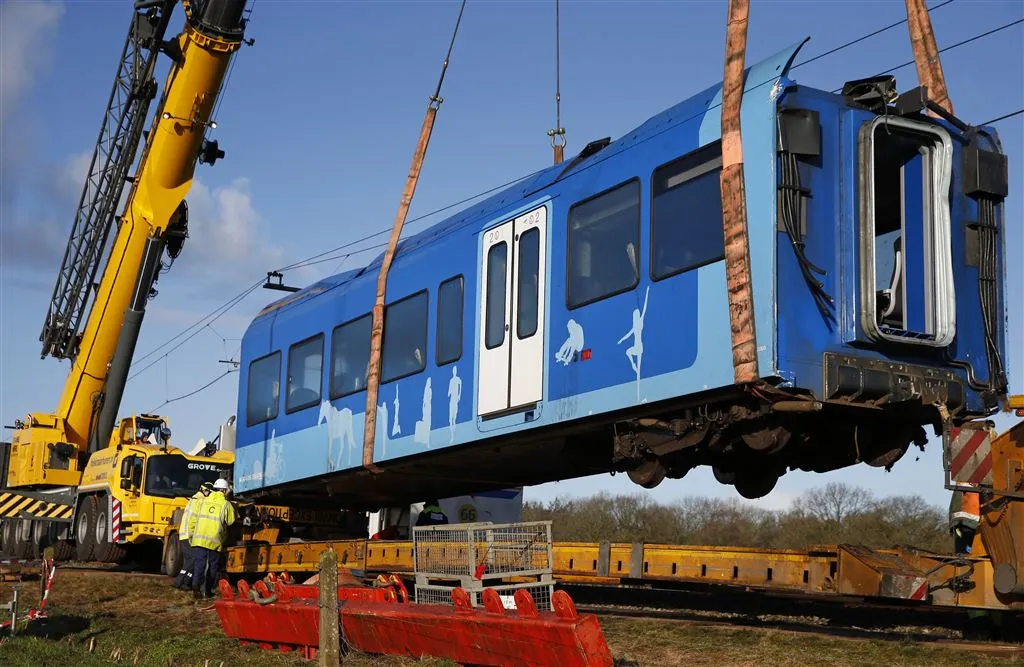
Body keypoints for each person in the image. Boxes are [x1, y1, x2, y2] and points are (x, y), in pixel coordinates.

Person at [189, 477, 236, 599]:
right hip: (214, 540)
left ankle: (195, 587)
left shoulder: (203, 501)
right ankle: (207, 591)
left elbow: (194, 518)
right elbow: (231, 521)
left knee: (199, 564)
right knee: (212, 566)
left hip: (199, 539)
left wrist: (191, 533)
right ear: (225, 491)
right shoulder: (226, 504)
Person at [173, 482, 212, 590]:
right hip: (189, 535)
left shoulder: (193, 499)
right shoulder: (199, 501)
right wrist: (191, 535)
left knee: (190, 560)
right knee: (193, 558)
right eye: (208, 492)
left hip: (185, 533)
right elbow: (192, 520)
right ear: (204, 490)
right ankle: (179, 581)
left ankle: (186, 582)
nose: (209, 494)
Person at [949, 487, 981, 554]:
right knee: (966, 551)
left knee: (961, 550)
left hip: (958, 522)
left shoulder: (960, 480)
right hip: (970, 522)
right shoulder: (978, 481)